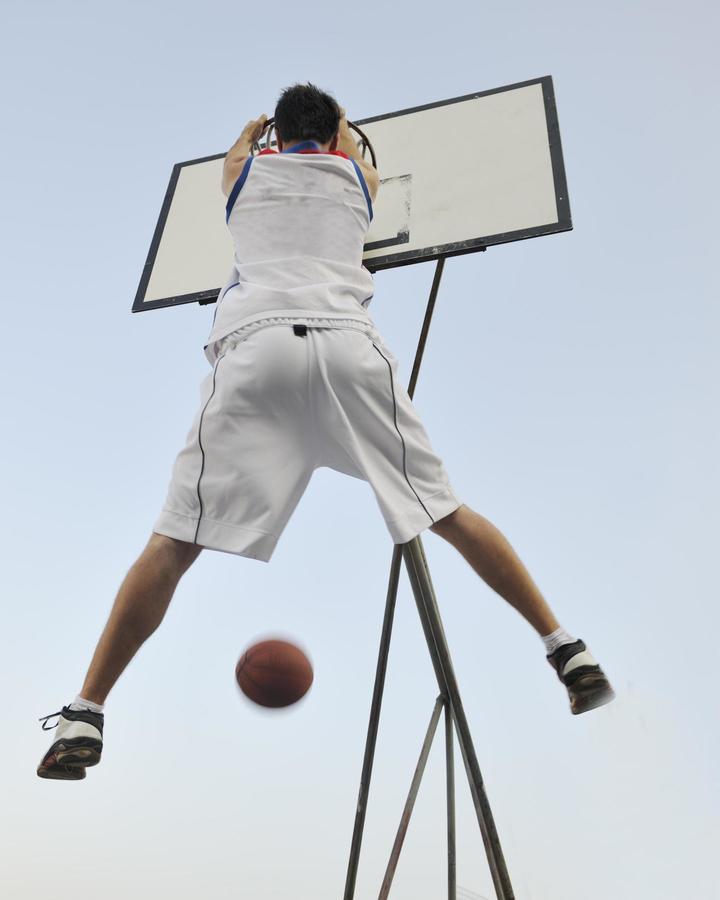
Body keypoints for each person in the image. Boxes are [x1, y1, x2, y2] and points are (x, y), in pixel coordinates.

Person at [37, 83, 614, 780]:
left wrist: (255, 136)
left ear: (273, 137)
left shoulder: (243, 173)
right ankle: (566, 648)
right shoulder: (357, 177)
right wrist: (345, 132)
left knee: (171, 544)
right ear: (339, 138)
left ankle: (86, 710)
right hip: (348, 348)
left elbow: (238, 154)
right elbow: (348, 152)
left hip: (257, 350)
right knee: (448, 514)